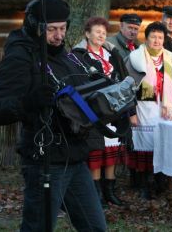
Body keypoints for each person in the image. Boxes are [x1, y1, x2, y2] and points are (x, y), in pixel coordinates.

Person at [0, 0, 106, 231]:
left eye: (62, 28)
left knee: (95, 228)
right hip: (45, 161)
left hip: (75, 157)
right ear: (35, 27)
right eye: (51, 30)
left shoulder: (66, 56)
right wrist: (28, 102)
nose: (59, 36)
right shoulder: (21, 57)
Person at [124, 21, 172, 199]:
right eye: (153, 37)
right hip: (143, 108)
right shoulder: (136, 58)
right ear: (147, 38)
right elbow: (127, 88)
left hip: (164, 109)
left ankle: (160, 182)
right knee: (144, 146)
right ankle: (144, 184)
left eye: (160, 37)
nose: (157, 40)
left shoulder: (170, 59)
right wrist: (131, 112)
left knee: (163, 144)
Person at [71, 16, 129, 207]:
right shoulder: (79, 56)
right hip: (93, 110)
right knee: (96, 150)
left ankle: (109, 191)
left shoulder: (113, 55)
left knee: (112, 150)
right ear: (87, 34)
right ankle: (95, 194)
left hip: (114, 109)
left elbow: (124, 79)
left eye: (104, 33)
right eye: (97, 32)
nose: (101, 35)